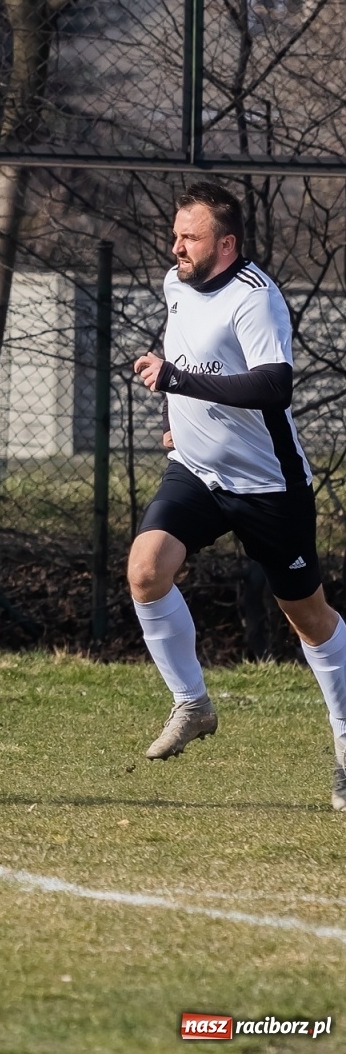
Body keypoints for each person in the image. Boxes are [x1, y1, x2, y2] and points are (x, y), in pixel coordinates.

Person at [130, 181, 346, 811]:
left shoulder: (256, 298)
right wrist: (180, 414)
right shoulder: (176, 285)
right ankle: (193, 704)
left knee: (308, 618)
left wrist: (178, 381)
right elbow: (194, 359)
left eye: (189, 237)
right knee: (146, 572)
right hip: (197, 472)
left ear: (225, 244)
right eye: (175, 235)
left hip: (268, 485)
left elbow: (272, 386)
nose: (176, 248)